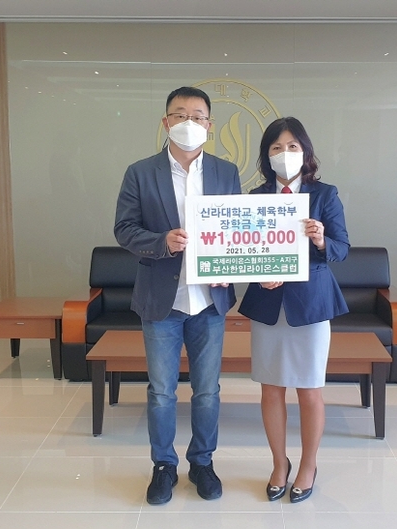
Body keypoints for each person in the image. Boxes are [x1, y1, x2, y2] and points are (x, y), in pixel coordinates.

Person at [114, 87, 241, 505]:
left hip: (209, 301)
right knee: (161, 392)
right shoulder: (140, 172)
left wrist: (229, 268)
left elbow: (236, 231)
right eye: (180, 114)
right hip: (161, 301)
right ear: (166, 122)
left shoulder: (225, 172)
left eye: (198, 116)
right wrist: (162, 242)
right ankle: (164, 466)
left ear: (210, 125)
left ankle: (202, 462)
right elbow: (124, 229)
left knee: (207, 391)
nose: (190, 122)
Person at [238, 117, 349, 503]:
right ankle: (278, 463)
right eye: (276, 148)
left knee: (309, 390)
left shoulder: (325, 195)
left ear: (305, 152)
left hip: (310, 304)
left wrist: (321, 240)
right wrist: (259, 273)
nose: (284, 154)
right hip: (268, 304)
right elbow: (245, 251)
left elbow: (342, 248)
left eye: (292, 147)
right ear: (266, 156)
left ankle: (308, 465)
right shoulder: (254, 198)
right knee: (271, 390)